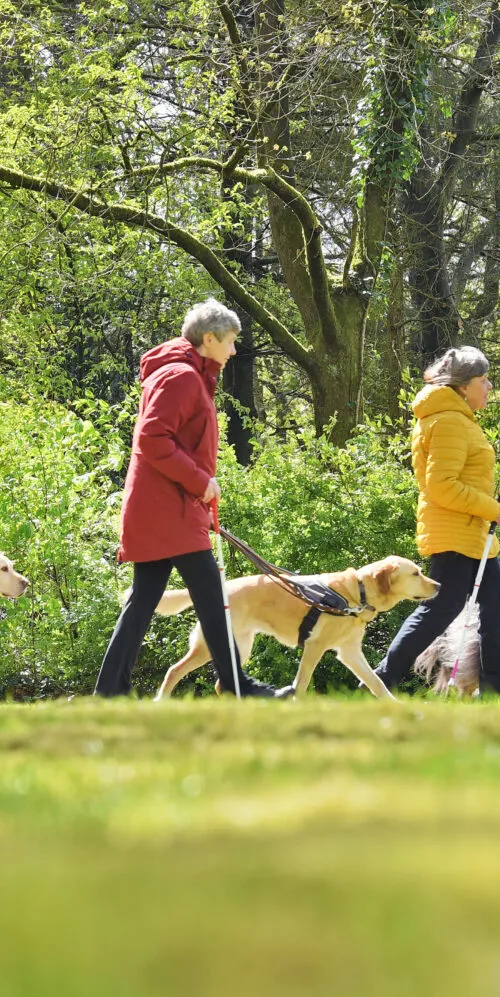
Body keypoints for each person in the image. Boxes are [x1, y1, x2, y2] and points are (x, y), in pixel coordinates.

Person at [95, 299, 280, 698]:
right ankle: (237, 685)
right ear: (208, 338)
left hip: (168, 508)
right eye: (230, 342)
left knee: (145, 600)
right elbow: (151, 438)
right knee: (212, 597)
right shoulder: (181, 377)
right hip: (170, 511)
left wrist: (199, 486)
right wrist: (200, 482)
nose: (234, 351)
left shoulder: (187, 375)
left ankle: (109, 693)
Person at [373, 346, 500, 698]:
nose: (490, 386)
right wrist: (488, 507)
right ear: (464, 386)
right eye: (484, 380)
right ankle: (377, 681)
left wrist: (485, 509)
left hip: (473, 534)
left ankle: (496, 692)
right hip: (456, 533)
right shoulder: (449, 421)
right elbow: (441, 486)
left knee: (496, 606)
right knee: (439, 611)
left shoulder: (457, 417)